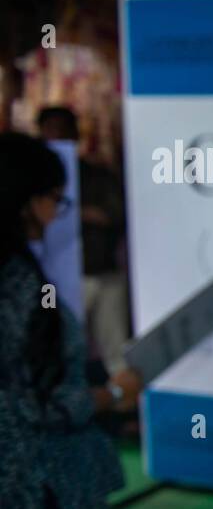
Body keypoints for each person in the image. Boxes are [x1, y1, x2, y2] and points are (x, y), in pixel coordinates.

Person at [0, 132, 141, 509]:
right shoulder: (21, 285)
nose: (55, 215)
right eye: (54, 201)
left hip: (20, 492)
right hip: (45, 489)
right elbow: (42, 403)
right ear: (27, 202)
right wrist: (114, 394)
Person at [37, 106, 131, 376]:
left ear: (76, 133)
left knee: (116, 350)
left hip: (102, 272)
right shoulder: (35, 181)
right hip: (55, 281)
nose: (56, 136)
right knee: (58, 348)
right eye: (50, 130)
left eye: (62, 129)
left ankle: (121, 402)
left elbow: (115, 213)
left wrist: (74, 212)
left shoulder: (96, 176)